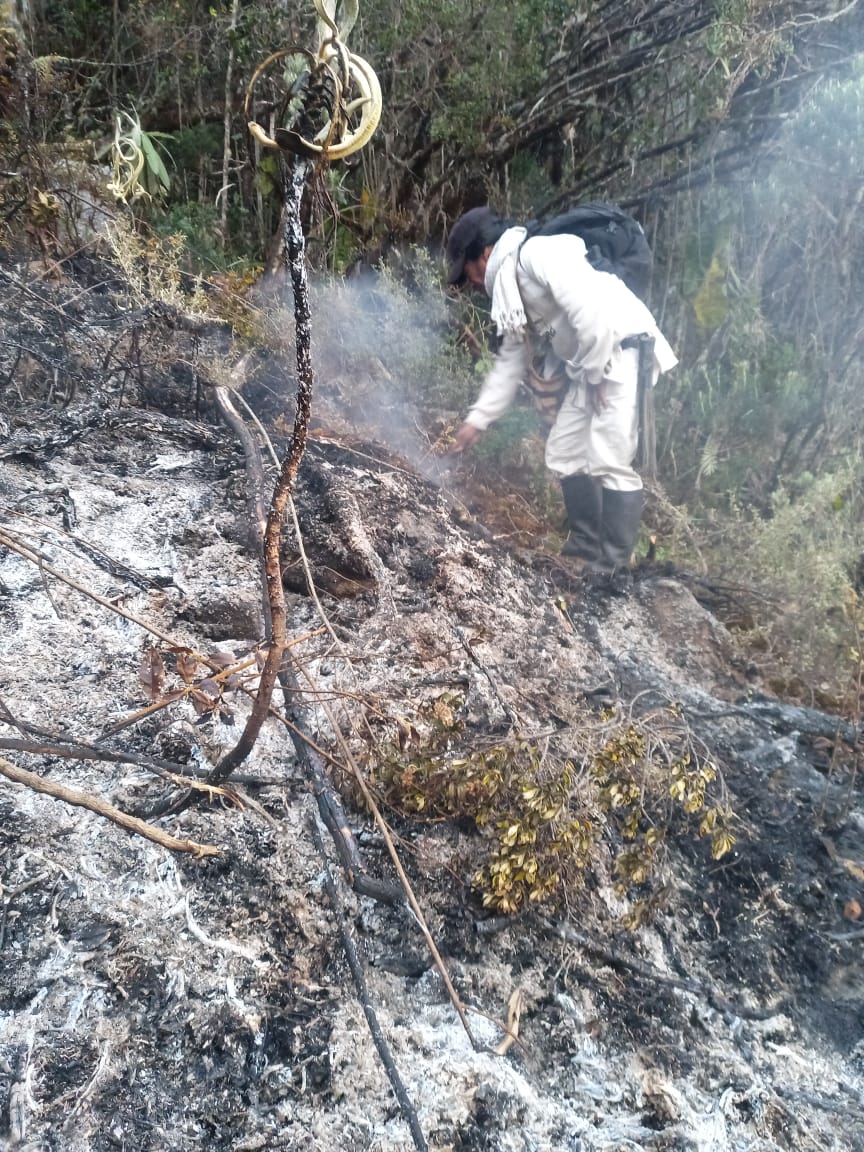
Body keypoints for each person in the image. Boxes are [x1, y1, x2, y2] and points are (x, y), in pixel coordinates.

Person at [446, 206, 677, 570]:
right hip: (594, 364)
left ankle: (612, 569)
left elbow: (594, 315)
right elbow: (511, 361)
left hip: (623, 352)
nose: (470, 282)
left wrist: (598, 374)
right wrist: (477, 421)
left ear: (486, 254)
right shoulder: (513, 293)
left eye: (468, 269)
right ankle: (585, 547)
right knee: (565, 450)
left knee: (609, 457)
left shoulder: (539, 254)